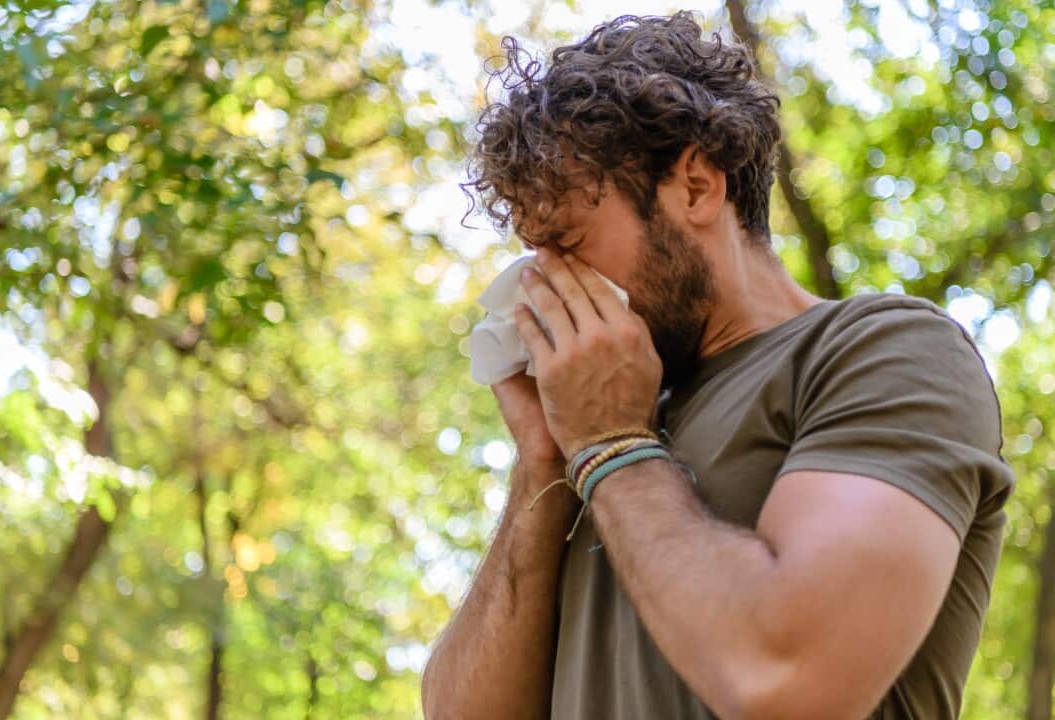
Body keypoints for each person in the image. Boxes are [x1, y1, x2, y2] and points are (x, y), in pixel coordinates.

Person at [421, 12, 1015, 720]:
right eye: (535, 256)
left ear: (697, 187)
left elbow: (786, 682)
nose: (545, 286)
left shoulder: (886, 351)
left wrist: (613, 446)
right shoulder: (604, 422)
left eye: (571, 243)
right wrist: (545, 465)